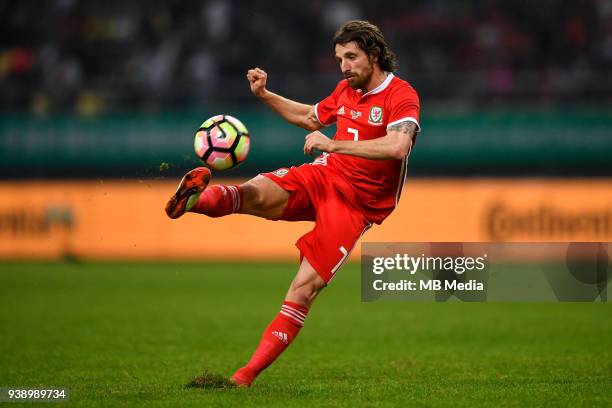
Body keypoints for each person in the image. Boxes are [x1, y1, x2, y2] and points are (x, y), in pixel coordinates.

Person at [165, 20, 420, 387]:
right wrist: (265, 95)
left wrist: (333, 144)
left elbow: (398, 147)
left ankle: (244, 376)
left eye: (351, 57)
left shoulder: (401, 95)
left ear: (374, 55)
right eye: (339, 59)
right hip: (324, 175)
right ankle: (193, 201)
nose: (344, 66)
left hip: (355, 206)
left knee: (304, 288)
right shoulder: (345, 89)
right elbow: (309, 117)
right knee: (253, 191)